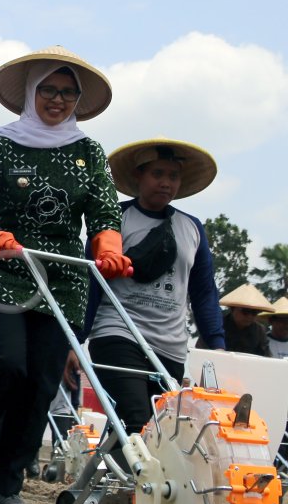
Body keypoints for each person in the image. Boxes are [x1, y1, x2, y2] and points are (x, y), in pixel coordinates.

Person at [0, 46, 130, 504]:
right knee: (7, 364)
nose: (58, 99)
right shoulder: (2, 141)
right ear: (32, 93)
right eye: (49, 89)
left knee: (39, 383)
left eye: (68, 93)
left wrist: (108, 248)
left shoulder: (88, 151)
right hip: (2, 269)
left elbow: (105, 211)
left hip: (62, 280)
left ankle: (7, 483)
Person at [71, 138, 225, 442]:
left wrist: (217, 344)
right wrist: (75, 340)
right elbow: (91, 282)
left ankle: (104, 484)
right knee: (138, 419)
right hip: (117, 332)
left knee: (158, 431)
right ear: (139, 176)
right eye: (157, 174)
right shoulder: (113, 219)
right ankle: (134, 487)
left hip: (170, 345)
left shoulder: (192, 228)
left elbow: (204, 292)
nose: (166, 183)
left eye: (173, 176)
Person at [205, 284, 273, 356]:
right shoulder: (216, 326)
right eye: (245, 311)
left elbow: (267, 357)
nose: (249, 316)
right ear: (232, 309)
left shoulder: (259, 331)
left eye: (254, 313)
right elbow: (201, 351)